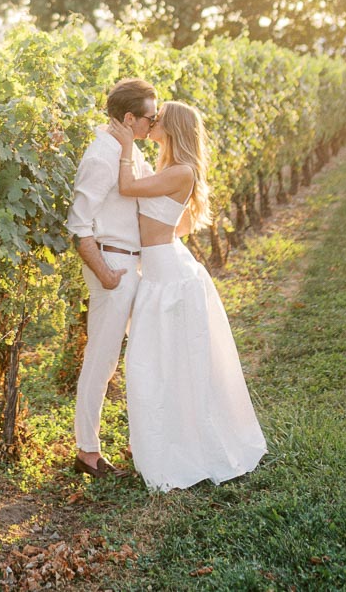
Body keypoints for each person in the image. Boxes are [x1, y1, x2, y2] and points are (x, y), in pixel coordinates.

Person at [112, 101, 267, 491]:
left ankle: (190, 448)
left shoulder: (181, 171)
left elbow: (127, 187)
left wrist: (126, 144)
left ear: (175, 127)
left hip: (170, 278)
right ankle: (167, 442)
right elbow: (172, 226)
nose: (154, 121)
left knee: (179, 363)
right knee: (157, 363)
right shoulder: (171, 170)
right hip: (162, 270)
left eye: (160, 117)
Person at [67, 77, 159, 477]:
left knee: (131, 358)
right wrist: (106, 276)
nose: (153, 126)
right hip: (114, 266)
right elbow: (78, 226)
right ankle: (87, 452)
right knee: (101, 361)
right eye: (149, 119)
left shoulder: (127, 148)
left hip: (133, 264)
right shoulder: (101, 156)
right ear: (128, 117)